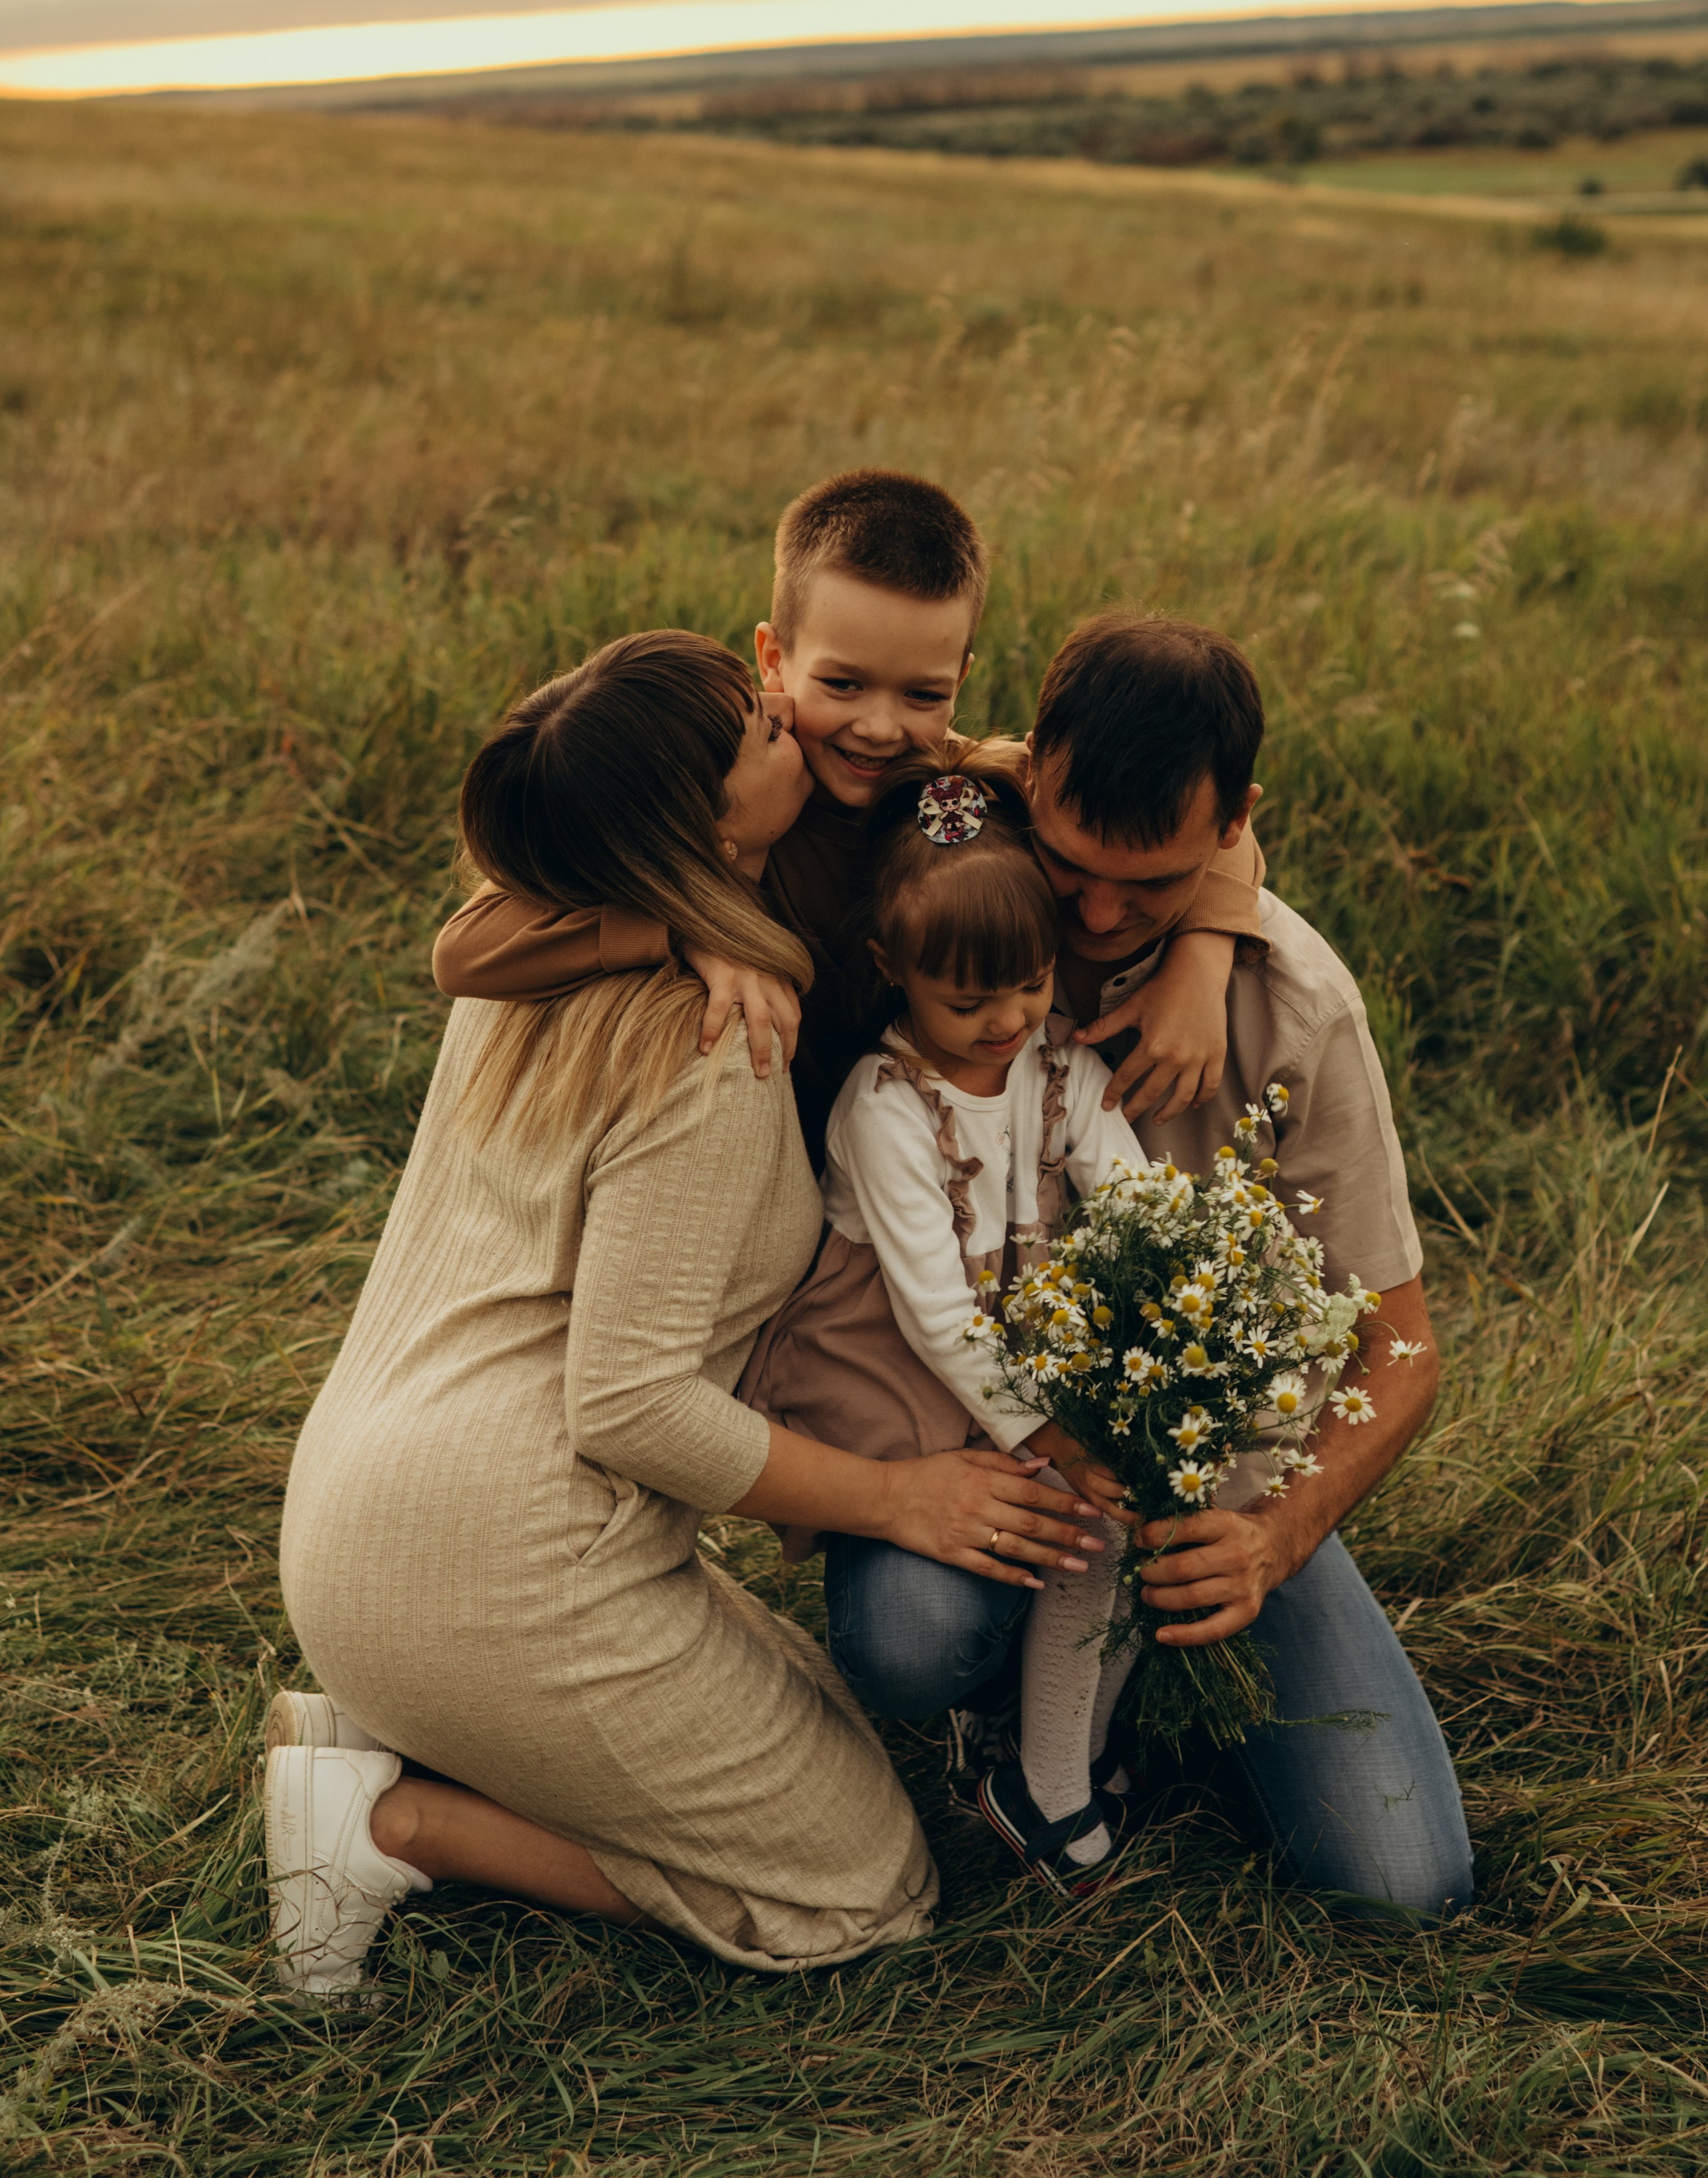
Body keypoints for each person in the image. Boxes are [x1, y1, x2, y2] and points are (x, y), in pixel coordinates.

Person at [268, 631, 1101, 1990]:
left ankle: (400, 1721)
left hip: (357, 1525)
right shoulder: (713, 1049)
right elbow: (630, 1406)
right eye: (759, 734)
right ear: (702, 831)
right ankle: (386, 1820)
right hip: (502, 1561)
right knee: (864, 1886)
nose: (786, 714)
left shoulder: (542, 952)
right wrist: (898, 1504)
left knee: (823, 1725)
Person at [1011, 611, 1473, 1916]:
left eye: (1149, 885)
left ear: (1234, 827)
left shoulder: (1298, 1006)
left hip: (1217, 1488)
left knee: (1403, 1882)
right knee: (905, 1636)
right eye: (1066, 865)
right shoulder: (951, 896)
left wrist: (1274, 1535)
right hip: (986, 1456)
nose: (1096, 916)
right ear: (1022, 778)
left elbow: (1398, 1343)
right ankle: (1013, 1710)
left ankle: (1150, 1677)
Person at [434, 468, 1266, 1168]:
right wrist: (690, 930)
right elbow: (464, 949)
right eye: (841, 685)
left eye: (923, 695)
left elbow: (1194, 830)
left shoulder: (960, 792)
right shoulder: (727, 796)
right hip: (749, 1168)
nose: (879, 726)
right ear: (773, 658)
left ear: (962, 678)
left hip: (921, 1164)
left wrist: (1201, 959)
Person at [738, 747, 1149, 1894]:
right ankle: (1044, 1770)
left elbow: (1130, 1208)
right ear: (892, 969)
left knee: (1113, 1517)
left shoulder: (1058, 1065)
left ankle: (1052, 1766)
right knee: (1071, 1518)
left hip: (1019, 1391)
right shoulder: (886, 1105)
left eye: (1028, 986)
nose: (1005, 1021)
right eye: (967, 1001)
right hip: (908, 1400)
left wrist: (1159, 1352)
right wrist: (1056, 1438)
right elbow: (933, 1315)